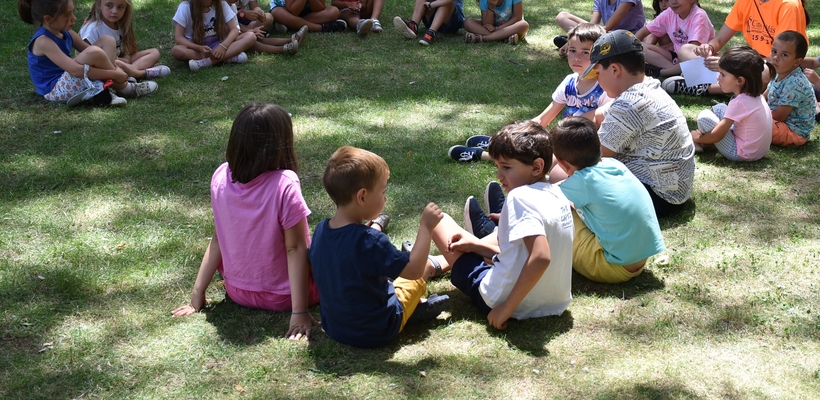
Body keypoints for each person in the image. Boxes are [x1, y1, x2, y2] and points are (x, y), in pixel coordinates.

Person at [171, 104, 320, 341]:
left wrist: (197, 295)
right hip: (286, 297)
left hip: (238, 293)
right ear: (281, 143)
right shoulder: (285, 183)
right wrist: (299, 312)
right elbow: (295, 248)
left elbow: (218, 238)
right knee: (335, 238)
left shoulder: (220, 175)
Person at [429, 120, 574, 330]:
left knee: (438, 221)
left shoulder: (518, 196)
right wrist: (477, 247)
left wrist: (507, 307)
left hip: (502, 300)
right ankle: (475, 242)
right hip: (555, 302)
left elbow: (541, 256)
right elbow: (522, 254)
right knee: (474, 244)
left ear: (536, 166)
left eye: (506, 167)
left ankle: (427, 265)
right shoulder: (558, 194)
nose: (499, 175)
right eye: (497, 166)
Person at [308, 146, 448, 348]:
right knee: (424, 266)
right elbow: (415, 270)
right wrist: (426, 227)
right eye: (383, 191)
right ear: (362, 196)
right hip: (378, 328)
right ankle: (410, 311)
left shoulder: (321, 230)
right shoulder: (371, 241)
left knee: (388, 272)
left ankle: (412, 304)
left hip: (335, 327)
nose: (385, 198)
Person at [448, 24, 611, 164]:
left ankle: (483, 155)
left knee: (536, 156)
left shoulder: (605, 87)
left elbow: (595, 124)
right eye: (572, 50)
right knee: (526, 138)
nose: (576, 57)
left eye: (585, 52)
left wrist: (549, 137)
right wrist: (518, 132)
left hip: (582, 148)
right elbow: (544, 118)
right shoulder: (570, 81)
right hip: (561, 137)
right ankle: (498, 143)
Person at [582, 29, 695, 217]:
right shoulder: (647, 87)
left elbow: (595, 157)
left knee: (563, 174)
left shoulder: (629, 104)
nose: (597, 80)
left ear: (615, 70)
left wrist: (558, 152)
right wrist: (569, 128)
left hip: (657, 197)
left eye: (597, 73)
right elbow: (598, 115)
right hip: (675, 191)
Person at [678, 0, 810, 96]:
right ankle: (725, 83)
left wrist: (732, 64)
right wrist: (708, 48)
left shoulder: (788, 3)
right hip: (748, 64)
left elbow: (782, 59)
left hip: (774, 66)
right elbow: (719, 40)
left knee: (762, 73)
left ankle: (707, 87)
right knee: (686, 51)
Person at [550, 116, 665, 283]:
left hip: (609, 267)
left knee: (559, 210)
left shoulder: (582, 182)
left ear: (563, 164)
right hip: (639, 261)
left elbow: (543, 200)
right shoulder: (614, 164)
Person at [19, 0, 143, 107]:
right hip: (55, 90)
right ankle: (123, 87)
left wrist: (114, 68)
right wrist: (114, 73)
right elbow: (75, 70)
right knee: (94, 52)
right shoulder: (43, 41)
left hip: (70, 79)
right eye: (67, 14)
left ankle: (105, 88)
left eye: (73, 12)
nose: (74, 18)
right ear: (48, 19)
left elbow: (94, 54)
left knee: (107, 40)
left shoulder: (66, 33)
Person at [692, 46, 772, 161]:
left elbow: (717, 135)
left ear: (740, 80)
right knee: (720, 108)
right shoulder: (757, 96)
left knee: (704, 118)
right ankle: (706, 140)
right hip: (758, 152)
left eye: (723, 75)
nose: (718, 78)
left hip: (740, 153)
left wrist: (697, 137)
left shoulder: (739, 103)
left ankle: (700, 141)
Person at [171, 0, 257, 72]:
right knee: (177, 51)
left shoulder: (221, 4)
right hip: (197, 48)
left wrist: (223, 46)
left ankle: (206, 62)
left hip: (219, 43)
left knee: (250, 36)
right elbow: (179, 38)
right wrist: (198, 48)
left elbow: (234, 30)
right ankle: (229, 57)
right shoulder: (185, 7)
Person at [80, 0, 170, 82]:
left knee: (154, 52)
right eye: (109, 6)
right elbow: (86, 57)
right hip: (102, 67)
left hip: (117, 61)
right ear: (98, 5)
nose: (114, 11)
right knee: (120, 63)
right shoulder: (93, 29)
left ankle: (129, 73)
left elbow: (120, 50)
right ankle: (141, 73)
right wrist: (118, 61)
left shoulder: (119, 25)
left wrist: (126, 58)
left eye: (120, 7)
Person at [636, 0, 715, 79]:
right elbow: (642, 33)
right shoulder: (669, 13)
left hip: (697, 59)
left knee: (685, 51)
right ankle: (676, 72)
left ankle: (663, 72)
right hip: (675, 58)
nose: (673, 1)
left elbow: (692, 52)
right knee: (639, 47)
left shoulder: (699, 16)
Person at [221, 0, 301, 55]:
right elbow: (227, 28)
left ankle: (291, 40)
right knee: (253, 40)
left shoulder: (231, 4)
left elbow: (236, 25)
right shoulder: (222, 5)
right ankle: (282, 49)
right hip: (227, 39)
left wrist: (249, 30)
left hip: (237, 34)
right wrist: (248, 31)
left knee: (258, 37)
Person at [765, 30, 816, 146]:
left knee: (755, 123)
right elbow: (764, 95)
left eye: (784, 55)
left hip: (792, 131)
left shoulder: (795, 83)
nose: (776, 58)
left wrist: (756, 113)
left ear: (797, 62)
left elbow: (779, 116)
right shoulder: (779, 71)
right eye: (774, 51)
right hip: (777, 122)